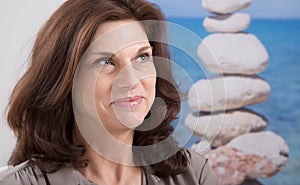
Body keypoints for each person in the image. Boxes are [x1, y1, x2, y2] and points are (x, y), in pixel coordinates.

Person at [0, 0, 219, 184]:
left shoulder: (194, 174)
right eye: (106, 61)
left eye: (142, 57)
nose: (132, 80)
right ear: (64, 80)